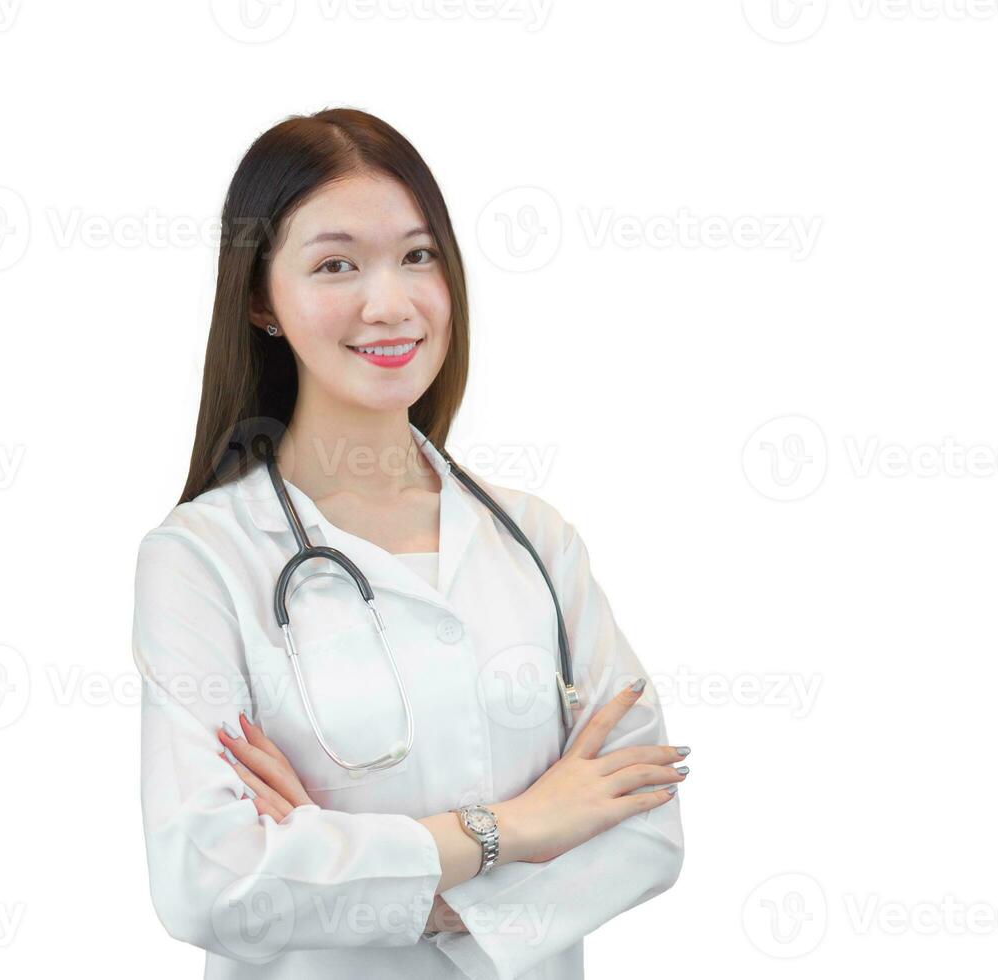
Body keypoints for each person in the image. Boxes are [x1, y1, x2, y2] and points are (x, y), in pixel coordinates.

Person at [131, 107, 687, 979]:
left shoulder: (536, 540)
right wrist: (517, 829)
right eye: (335, 264)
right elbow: (207, 882)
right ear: (259, 299)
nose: (389, 303)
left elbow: (647, 823)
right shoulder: (202, 558)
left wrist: (342, 866)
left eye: (418, 255)